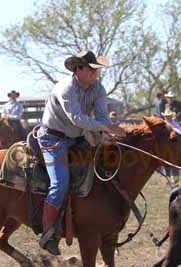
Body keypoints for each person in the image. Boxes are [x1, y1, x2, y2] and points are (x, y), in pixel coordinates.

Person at [37, 50, 125, 255]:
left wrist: (107, 130)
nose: (96, 74)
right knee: (59, 184)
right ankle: (48, 231)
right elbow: (77, 118)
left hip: (76, 140)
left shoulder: (98, 89)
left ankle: (93, 218)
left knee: (101, 172)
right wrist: (108, 128)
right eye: (92, 70)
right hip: (53, 139)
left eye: (97, 70)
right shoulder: (65, 88)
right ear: (79, 69)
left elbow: (102, 115)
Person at [161, 107, 181, 183]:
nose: (167, 117)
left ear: (171, 116)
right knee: (165, 163)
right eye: (166, 116)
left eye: (168, 116)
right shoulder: (162, 124)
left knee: (174, 162)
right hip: (165, 147)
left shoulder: (175, 124)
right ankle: (167, 180)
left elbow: (179, 133)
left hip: (174, 146)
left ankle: (175, 179)